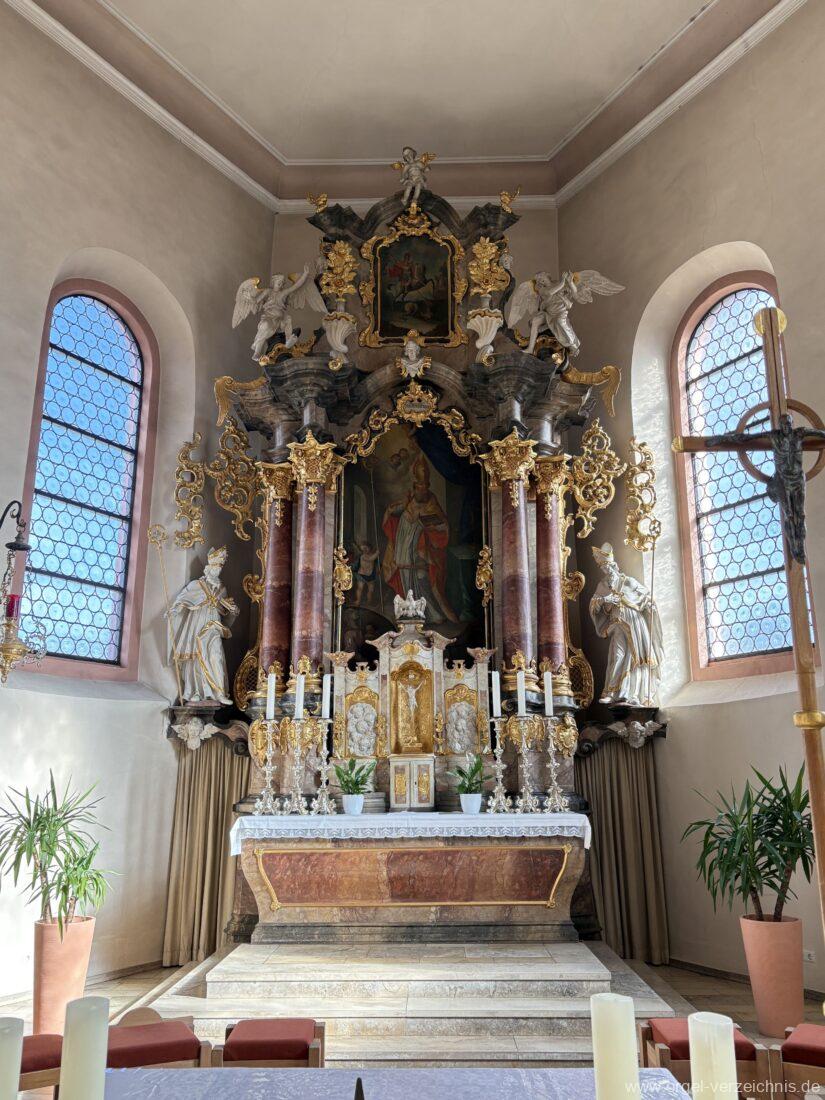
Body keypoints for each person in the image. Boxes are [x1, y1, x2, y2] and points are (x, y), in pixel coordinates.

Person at [166, 547, 238, 704]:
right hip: (196, 625)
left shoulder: (222, 590)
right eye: (216, 565)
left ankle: (219, 693)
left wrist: (233, 612)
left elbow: (226, 616)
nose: (219, 569)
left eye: (221, 566)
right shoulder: (196, 585)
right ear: (209, 567)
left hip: (214, 627)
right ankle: (195, 691)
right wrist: (174, 610)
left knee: (216, 656)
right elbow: (182, 600)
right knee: (196, 657)